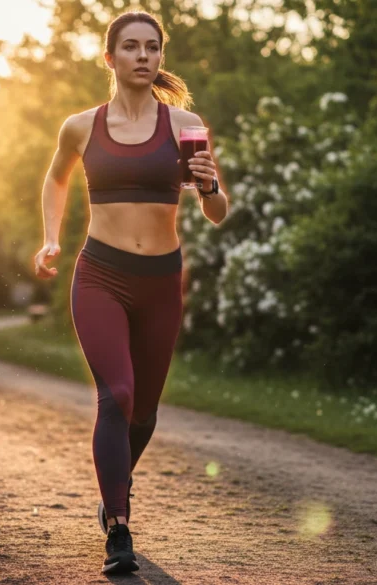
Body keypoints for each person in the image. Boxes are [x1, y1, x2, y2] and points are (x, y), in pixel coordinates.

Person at [32, 10, 228, 576]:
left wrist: (210, 182)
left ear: (160, 57)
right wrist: (50, 240)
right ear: (110, 57)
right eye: (132, 47)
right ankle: (118, 527)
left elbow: (215, 213)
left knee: (143, 412)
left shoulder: (185, 124)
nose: (143, 56)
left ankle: (112, 484)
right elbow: (56, 177)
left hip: (162, 281)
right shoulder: (81, 126)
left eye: (153, 48)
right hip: (101, 275)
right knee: (116, 394)